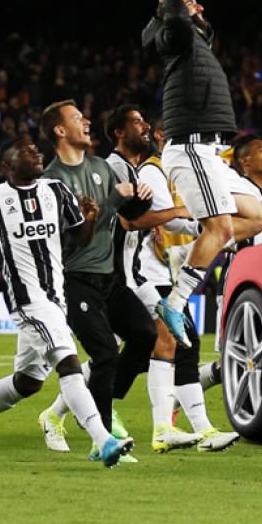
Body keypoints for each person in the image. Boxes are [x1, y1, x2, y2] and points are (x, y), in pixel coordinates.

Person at [0, 136, 133, 467]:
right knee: (69, 363)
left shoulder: (56, 190)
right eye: (26, 152)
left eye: (35, 150)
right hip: (27, 300)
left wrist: (89, 218)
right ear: (8, 165)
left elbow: (79, 237)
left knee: (28, 382)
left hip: (56, 297)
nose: (36, 153)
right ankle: (103, 440)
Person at [142, 0, 262, 351]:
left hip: (209, 150)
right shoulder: (176, 38)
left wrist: (180, 7)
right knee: (222, 226)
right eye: (191, 2)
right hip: (191, 145)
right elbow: (168, 29)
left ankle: (193, 250)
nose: (200, 6)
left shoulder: (194, 42)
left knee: (256, 216)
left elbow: (201, 30)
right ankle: (175, 302)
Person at [36, 100, 157, 458]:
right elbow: (74, 235)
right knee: (104, 354)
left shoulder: (101, 167)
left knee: (145, 334)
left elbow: (125, 214)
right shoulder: (51, 182)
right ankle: (101, 439)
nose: (87, 121)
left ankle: (97, 402)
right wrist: (114, 200)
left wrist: (141, 200)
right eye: (77, 118)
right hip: (75, 280)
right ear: (60, 131)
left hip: (109, 278)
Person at [101, 105, 212, 454]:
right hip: (116, 275)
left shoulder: (136, 168)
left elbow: (138, 221)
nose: (145, 126)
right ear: (119, 132)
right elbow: (127, 221)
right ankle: (94, 405)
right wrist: (173, 214)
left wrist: (166, 223)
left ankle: (165, 428)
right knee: (142, 340)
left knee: (164, 338)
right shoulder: (114, 168)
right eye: (137, 122)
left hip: (134, 272)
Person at [196, 135, 262, 425]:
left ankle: (189, 387)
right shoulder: (238, 190)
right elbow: (216, 227)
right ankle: (251, 420)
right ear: (245, 161)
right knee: (240, 359)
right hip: (239, 284)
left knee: (256, 358)